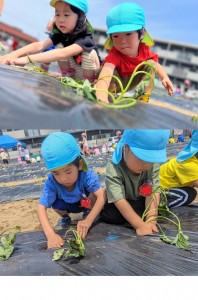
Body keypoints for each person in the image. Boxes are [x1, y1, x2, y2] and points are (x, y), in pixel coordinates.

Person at [0, 0, 101, 82]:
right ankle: (68, 76)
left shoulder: (86, 38)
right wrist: (12, 55)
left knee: (89, 54)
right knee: (60, 45)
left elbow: (62, 53)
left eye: (66, 15)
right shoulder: (62, 35)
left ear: (80, 18)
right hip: (76, 72)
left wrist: (27, 59)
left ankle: (90, 83)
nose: (60, 19)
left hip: (89, 74)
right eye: (57, 15)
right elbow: (39, 45)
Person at [37, 132, 105, 248]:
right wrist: (50, 235)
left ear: (79, 164)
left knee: (93, 195)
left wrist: (88, 220)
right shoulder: (52, 182)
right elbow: (40, 208)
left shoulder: (85, 175)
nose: (63, 179)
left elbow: (102, 196)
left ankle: (87, 212)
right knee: (54, 203)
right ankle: (65, 217)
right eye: (56, 173)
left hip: (84, 203)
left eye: (68, 172)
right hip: (66, 205)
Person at [95, 3, 173, 103]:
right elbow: (106, 74)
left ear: (142, 34)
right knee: (107, 72)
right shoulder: (115, 54)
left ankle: (143, 96)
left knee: (151, 64)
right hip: (113, 83)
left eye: (128, 34)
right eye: (116, 36)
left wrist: (164, 78)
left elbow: (156, 65)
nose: (122, 41)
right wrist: (101, 99)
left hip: (131, 81)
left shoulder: (144, 50)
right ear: (111, 37)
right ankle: (108, 94)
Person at [100, 129, 170, 236]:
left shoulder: (153, 166)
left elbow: (153, 192)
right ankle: (136, 216)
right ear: (126, 148)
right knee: (110, 214)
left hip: (141, 200)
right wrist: (139, 225)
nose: (146, 165)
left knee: (161, 200)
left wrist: (151, 221)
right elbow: (119, 200)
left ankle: (139, 215)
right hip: (124, 201)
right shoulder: (114, 169)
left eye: (151, 160)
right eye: (142, 159)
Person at [160, 130, 198, 207]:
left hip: (169, 187)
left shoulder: (191, 159)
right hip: (159, 189)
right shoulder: (189, 164)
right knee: (187, 195)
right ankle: (159, 206)